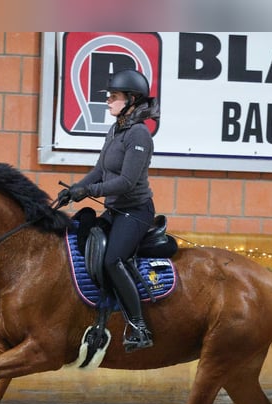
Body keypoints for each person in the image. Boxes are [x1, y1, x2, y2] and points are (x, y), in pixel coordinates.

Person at [58, 69, 160, 352]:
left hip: (136, 212)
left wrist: (89, 192)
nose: (108, 101)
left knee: (113, 259)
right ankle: (100, 316)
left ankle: (139, 326)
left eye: (114, 96)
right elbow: (101, 170)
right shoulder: (116, 130)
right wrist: (74, 190)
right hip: (115, 211)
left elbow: (126, 182)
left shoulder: (139, 134)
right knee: (86, 244)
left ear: (131, 99)